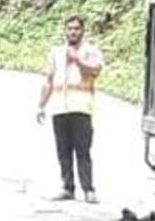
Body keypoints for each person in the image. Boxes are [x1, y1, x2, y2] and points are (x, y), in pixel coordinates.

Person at [36, 15, 105, 203]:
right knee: (63, 150)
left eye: (76, 28)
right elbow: (49, 80)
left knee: (82, 150)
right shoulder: (56, 53)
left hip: (81, 107)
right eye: (70, 29)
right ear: (65, 31)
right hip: (60, 107)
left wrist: (77, 60)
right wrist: (41, 105)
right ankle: (67, 187)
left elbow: (95, 71)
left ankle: (88, 189)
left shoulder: (91, 51)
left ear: (82, 31)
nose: (73, 32)